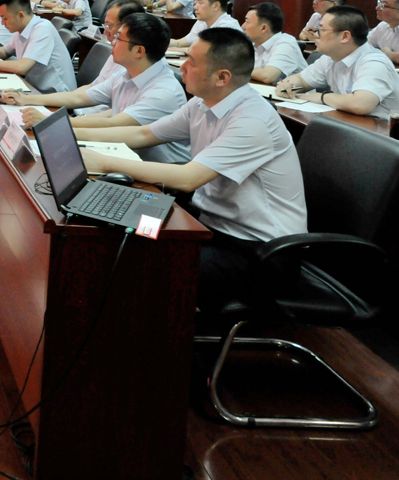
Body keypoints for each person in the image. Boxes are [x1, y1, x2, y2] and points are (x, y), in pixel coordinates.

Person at [78, 28, 307, 314]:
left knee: (144, 263)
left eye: (192, 61)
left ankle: (152, 334)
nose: (182, 66)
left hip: (259, 252)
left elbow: (188, 179)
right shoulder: (202, 103)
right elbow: (143, 134)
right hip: (211, 225)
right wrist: (72, 135)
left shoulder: (252, 121)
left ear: (222, 77)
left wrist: (103, 162)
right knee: (126, 232)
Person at [4, 11, 190, 163]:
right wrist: (26, 99)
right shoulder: (126, 74)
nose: (112, 42)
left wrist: (50, 124)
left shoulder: (163, 92)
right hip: (124, 154)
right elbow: (80, 97)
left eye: (119, 38)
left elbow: (114, 125)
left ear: (139, 51)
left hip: (157, 176)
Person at [276, 5, 399, 130]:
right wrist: (288, 85)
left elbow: (361, 104)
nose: (316, 35)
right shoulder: (330, 58)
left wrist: (322, 97)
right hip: (355, 127)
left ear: (344, 36)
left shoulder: (374, 62)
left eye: (321, 30)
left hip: (388, 137)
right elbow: (301, 79)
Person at [0, 0, 77, 94]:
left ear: (21, 15)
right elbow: (5, 51)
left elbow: (22, 67)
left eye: (5, 18)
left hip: (56, 94)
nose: (2, 23)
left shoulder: (42, 29)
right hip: (34, 88)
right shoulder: (21, 29)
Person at [244, 2, 307, 84]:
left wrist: (236, 70)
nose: (243, 26)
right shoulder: (253, 44)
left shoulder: (286, 44)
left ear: (263, 28)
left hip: (296, 92)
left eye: (247, 22)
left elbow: (267, 76)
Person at [170, 0, 241, 49]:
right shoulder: (202, 21)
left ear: (216, 6)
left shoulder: (228, 27)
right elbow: (179, 43)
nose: (195, 7)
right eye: (196, 3)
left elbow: (203, 52)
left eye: (200, 3)